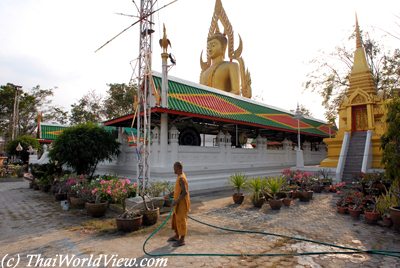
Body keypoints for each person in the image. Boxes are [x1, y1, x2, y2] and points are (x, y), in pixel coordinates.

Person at [167, 161, 191, 247]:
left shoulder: (181, 178)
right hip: (178, 204)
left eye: (175, 168)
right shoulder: (179, 177)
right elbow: (178, 189)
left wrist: (176, 201)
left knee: (181, 220)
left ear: (179, 168)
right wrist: (170, 194)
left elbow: (184, 192)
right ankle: (177, 235)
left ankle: (182, 240)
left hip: (181, 204)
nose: (174, 170)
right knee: (175, 219)